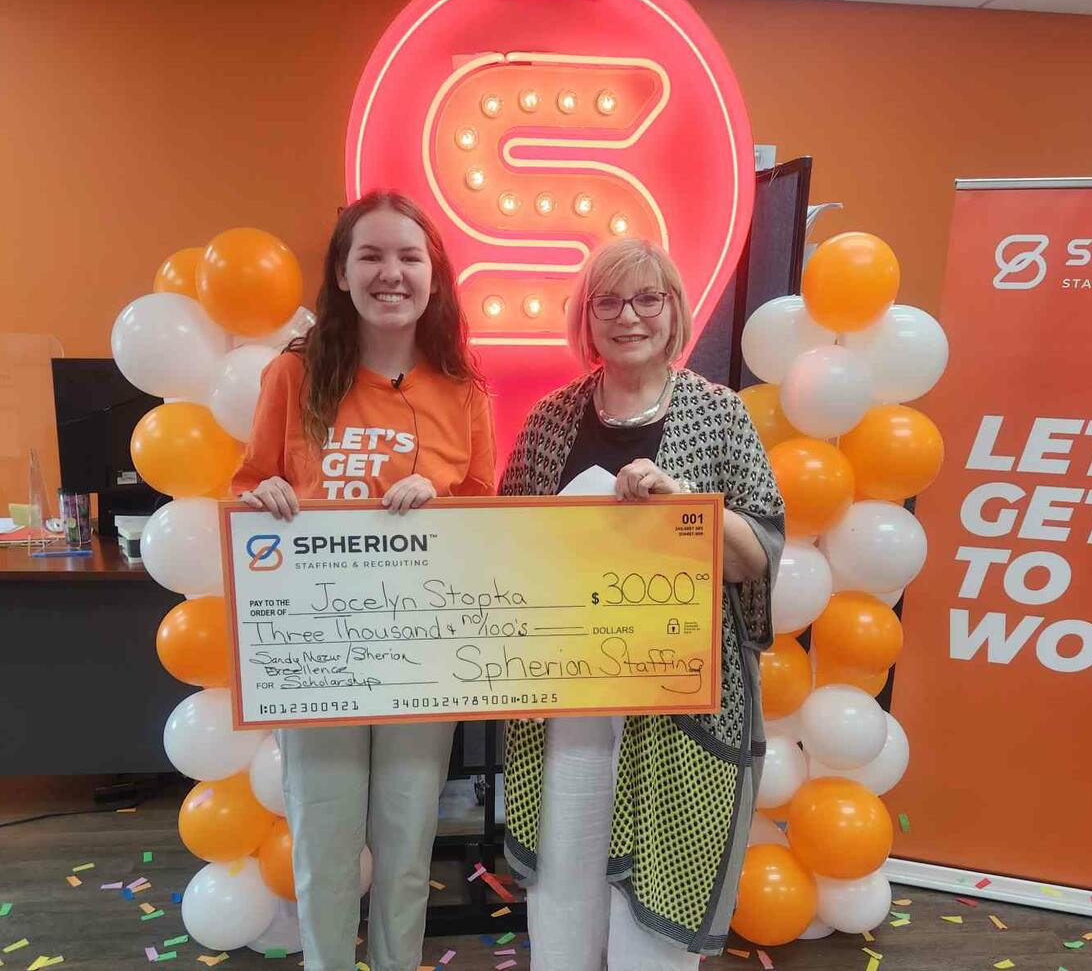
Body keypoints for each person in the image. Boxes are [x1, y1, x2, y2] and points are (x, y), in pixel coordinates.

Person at [499, 238, 785, 968]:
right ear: (586, 318)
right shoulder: (548, 421)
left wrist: (684, 507)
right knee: (564, 879)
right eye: (608, 301)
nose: (629, 317)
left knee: (656, 904)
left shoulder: (719, 415)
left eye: (647, 298)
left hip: (678, 702)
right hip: (569, 705)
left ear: (674, 311)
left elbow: (758, 557)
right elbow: (504, 550)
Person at [232, 190, 495, 971]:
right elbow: (249, 488)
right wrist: (263, 497)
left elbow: (486, 521)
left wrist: (441, 500)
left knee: (410, 849)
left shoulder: (464, 389)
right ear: (341, 275)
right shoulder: (294, 375)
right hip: (320, 664)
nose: (391, 273)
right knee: (325, 848)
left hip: (420, 657)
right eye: (371, 256)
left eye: (409, 257)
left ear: (434, 276)